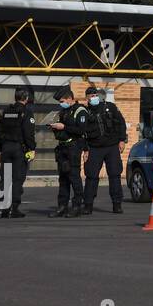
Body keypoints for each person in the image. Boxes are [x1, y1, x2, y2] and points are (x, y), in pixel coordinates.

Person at [81, 86, 127, 215]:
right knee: (91, 176)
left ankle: (117, 204)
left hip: (112, 146)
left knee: (115, 175)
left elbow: (121, 123)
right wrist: (86, 150)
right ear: (87, 98)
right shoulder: (85, 111)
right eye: (91, 96)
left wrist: (122, 140)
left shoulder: (110, 107)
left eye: (95, 95)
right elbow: (82, 133)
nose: (94, 97)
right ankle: (88, 205)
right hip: (94, 148)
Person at [0, 88, 37, 218]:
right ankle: (14, 208)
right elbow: (28, 134)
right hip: (19, 149)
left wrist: (1, 147)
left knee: (5, 178)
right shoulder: (27, 113)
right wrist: (32, 148)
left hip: (6, 148)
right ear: (26, 98)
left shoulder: (5, 112)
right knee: (17, 179)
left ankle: (2, 209)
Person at [49, 85, 88, 218]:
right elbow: (63, 131)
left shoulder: (80, 111)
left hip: (74, 148)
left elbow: (81, 130)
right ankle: (62, 206)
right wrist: (55, 127)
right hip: (63, 148)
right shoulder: (63, 112)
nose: (61, 104)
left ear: (70, 99)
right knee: (63, 178)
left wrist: (64, 126)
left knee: (74, 177)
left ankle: (77, 206)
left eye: (62, 101)